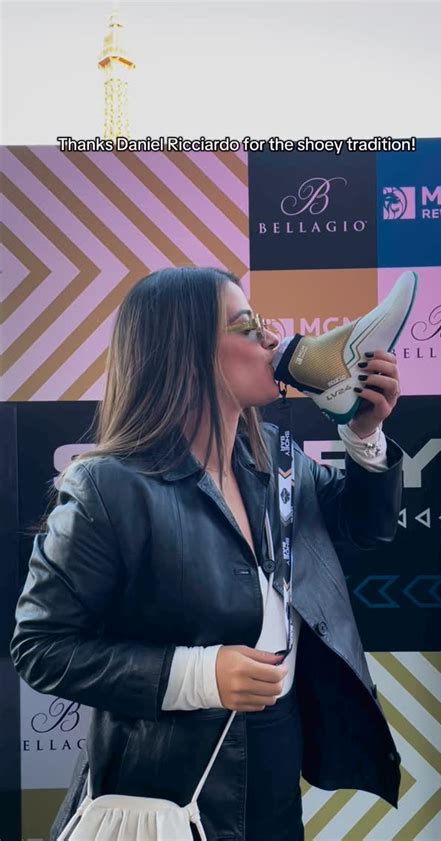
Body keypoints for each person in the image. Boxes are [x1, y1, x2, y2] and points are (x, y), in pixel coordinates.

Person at [11, 266, 403, 841]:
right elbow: (40, 647)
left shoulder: (277, 457)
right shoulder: (106, 485)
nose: (271, 338)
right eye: (246, 326)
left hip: (277, 763)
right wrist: (196, 675)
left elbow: (364, 525)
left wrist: (362, 433)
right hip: (166, 789)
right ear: (185, 350)